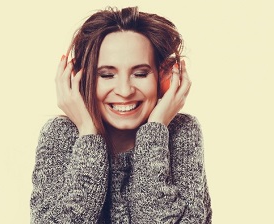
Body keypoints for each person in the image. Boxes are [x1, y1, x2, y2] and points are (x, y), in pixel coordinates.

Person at [30, 6, 212, 223]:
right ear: (80, 79)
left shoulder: (182, 131)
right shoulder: (60, 134)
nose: (125, 91)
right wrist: (88, 135)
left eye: (140, 73)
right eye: (107, 75)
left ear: (163, 79)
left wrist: (155, 131)